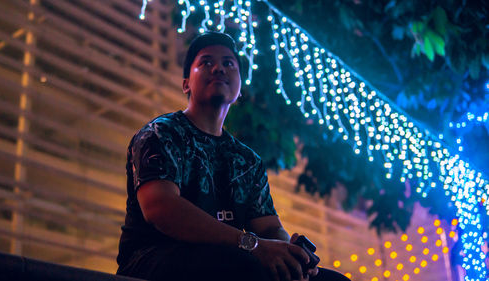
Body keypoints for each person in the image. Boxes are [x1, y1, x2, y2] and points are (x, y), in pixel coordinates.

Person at [116, 31, 350, 281]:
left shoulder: (247, 161)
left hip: (229, 259)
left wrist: (291, 254)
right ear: (186, 83)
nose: (218, 68)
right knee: (247, 268)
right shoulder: (161, 133)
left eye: (229, 63)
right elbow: (160, 208)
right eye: (206, 62)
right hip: (152, 261)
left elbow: (269, 227)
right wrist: (252, 244)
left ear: (239, 90)